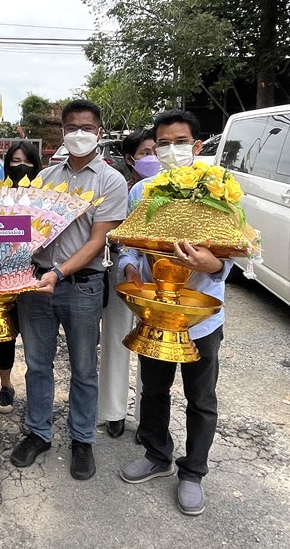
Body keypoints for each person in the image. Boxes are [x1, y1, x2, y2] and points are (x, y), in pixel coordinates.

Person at [119, 110, 232, 516]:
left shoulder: (220, 192)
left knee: (201, 397)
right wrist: (129, 268)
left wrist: (213, 266)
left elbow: (235, 250)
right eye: (162, 143)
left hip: (201, 315)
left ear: (197, 146)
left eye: (179, 142)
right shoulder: (143, 192)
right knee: (153, 388)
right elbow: (129, 245)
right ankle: (156, 454)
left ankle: (193, 472)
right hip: (156, 309)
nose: (170, 150)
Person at [10, 99, 128, 480]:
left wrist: (59, 273)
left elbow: (99, 240)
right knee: (37, 365)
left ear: (100, 131)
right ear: (61, 133)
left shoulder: (110, 180)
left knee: (83, 369)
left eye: (87, 128)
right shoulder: (44, 178)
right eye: (72, 128)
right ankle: (39, 433)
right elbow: (26, 230)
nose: (80, 134)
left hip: (82, 286)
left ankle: (81, 440)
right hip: (36, 285)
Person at [97, 129, 157, 439]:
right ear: (130, 159)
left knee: (152, 346)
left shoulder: (173, 191)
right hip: (121, 272)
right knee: (117, 341)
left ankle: (148, 416)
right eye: (147, 152)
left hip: (159, 280)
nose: (154, 158)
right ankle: (113, 411)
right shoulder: (119, 187)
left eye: (156, 150)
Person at [0, 140, 42, 413]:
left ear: (36, 165)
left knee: (36, 337)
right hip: (5, 276)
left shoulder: (47, 196)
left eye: (25, 161)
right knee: (6, 334)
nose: (20, 166)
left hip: (38, 275)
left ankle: (38, 390)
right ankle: (6, 385)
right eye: (14, 161)